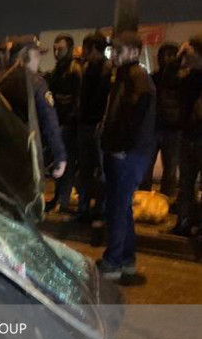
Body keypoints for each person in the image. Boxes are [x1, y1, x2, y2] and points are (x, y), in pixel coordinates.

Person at [97, 31, 156, 280]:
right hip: (124, 151)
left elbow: (134, 120)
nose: (114, 56)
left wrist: (121, 146)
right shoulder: (125, 77)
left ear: (133, 52)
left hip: (127, 154)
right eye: (113, 51)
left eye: (118, 51)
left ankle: (113, 262)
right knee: (122, 207)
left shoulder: (137, 79)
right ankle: (126, 259)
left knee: (118, 208)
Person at [0, 36, 67, 179]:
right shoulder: (36, 83)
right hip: (24, 157)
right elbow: (49, 120)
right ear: (24, 56)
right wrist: (59, 155)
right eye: (36, 55)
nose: (39, 60)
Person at [75, 32, 112, 222]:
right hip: (85, 124)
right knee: (85, 169)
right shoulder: (87, 68)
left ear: (94, 49)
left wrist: (102, 122)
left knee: (101, 171)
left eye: (86, 48)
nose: (84, 52)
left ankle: (99, 210)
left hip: (97, 127)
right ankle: (83, 208)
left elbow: (106, 100)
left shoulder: (108, 70)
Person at [168, 34, 202, 237]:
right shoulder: (188, 76)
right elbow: (168, 81)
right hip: (188, 134)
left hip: (199, 136)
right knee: (186, 183)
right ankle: (184, 222)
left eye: (190, 52)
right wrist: (177, 59)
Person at [46, 34, 82, 212]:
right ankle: (58, 198)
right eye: (55, 48)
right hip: (58, 120)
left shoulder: (75, 69)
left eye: (60, 49)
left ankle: (63, 200)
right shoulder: (58, 69)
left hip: (68, 123)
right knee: (58, 162)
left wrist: (70, 118)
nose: (57, 52)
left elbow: (77, 98)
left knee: (66, 163)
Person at [140, 43, 182, 196]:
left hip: (173, 129)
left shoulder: (182, 79)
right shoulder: (155, 77)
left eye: (172, 55)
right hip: (155, 127)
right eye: (166, 55)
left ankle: (166, 200)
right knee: (147, 166)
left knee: (170, 168)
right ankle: (143, 198)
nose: (169, 59)